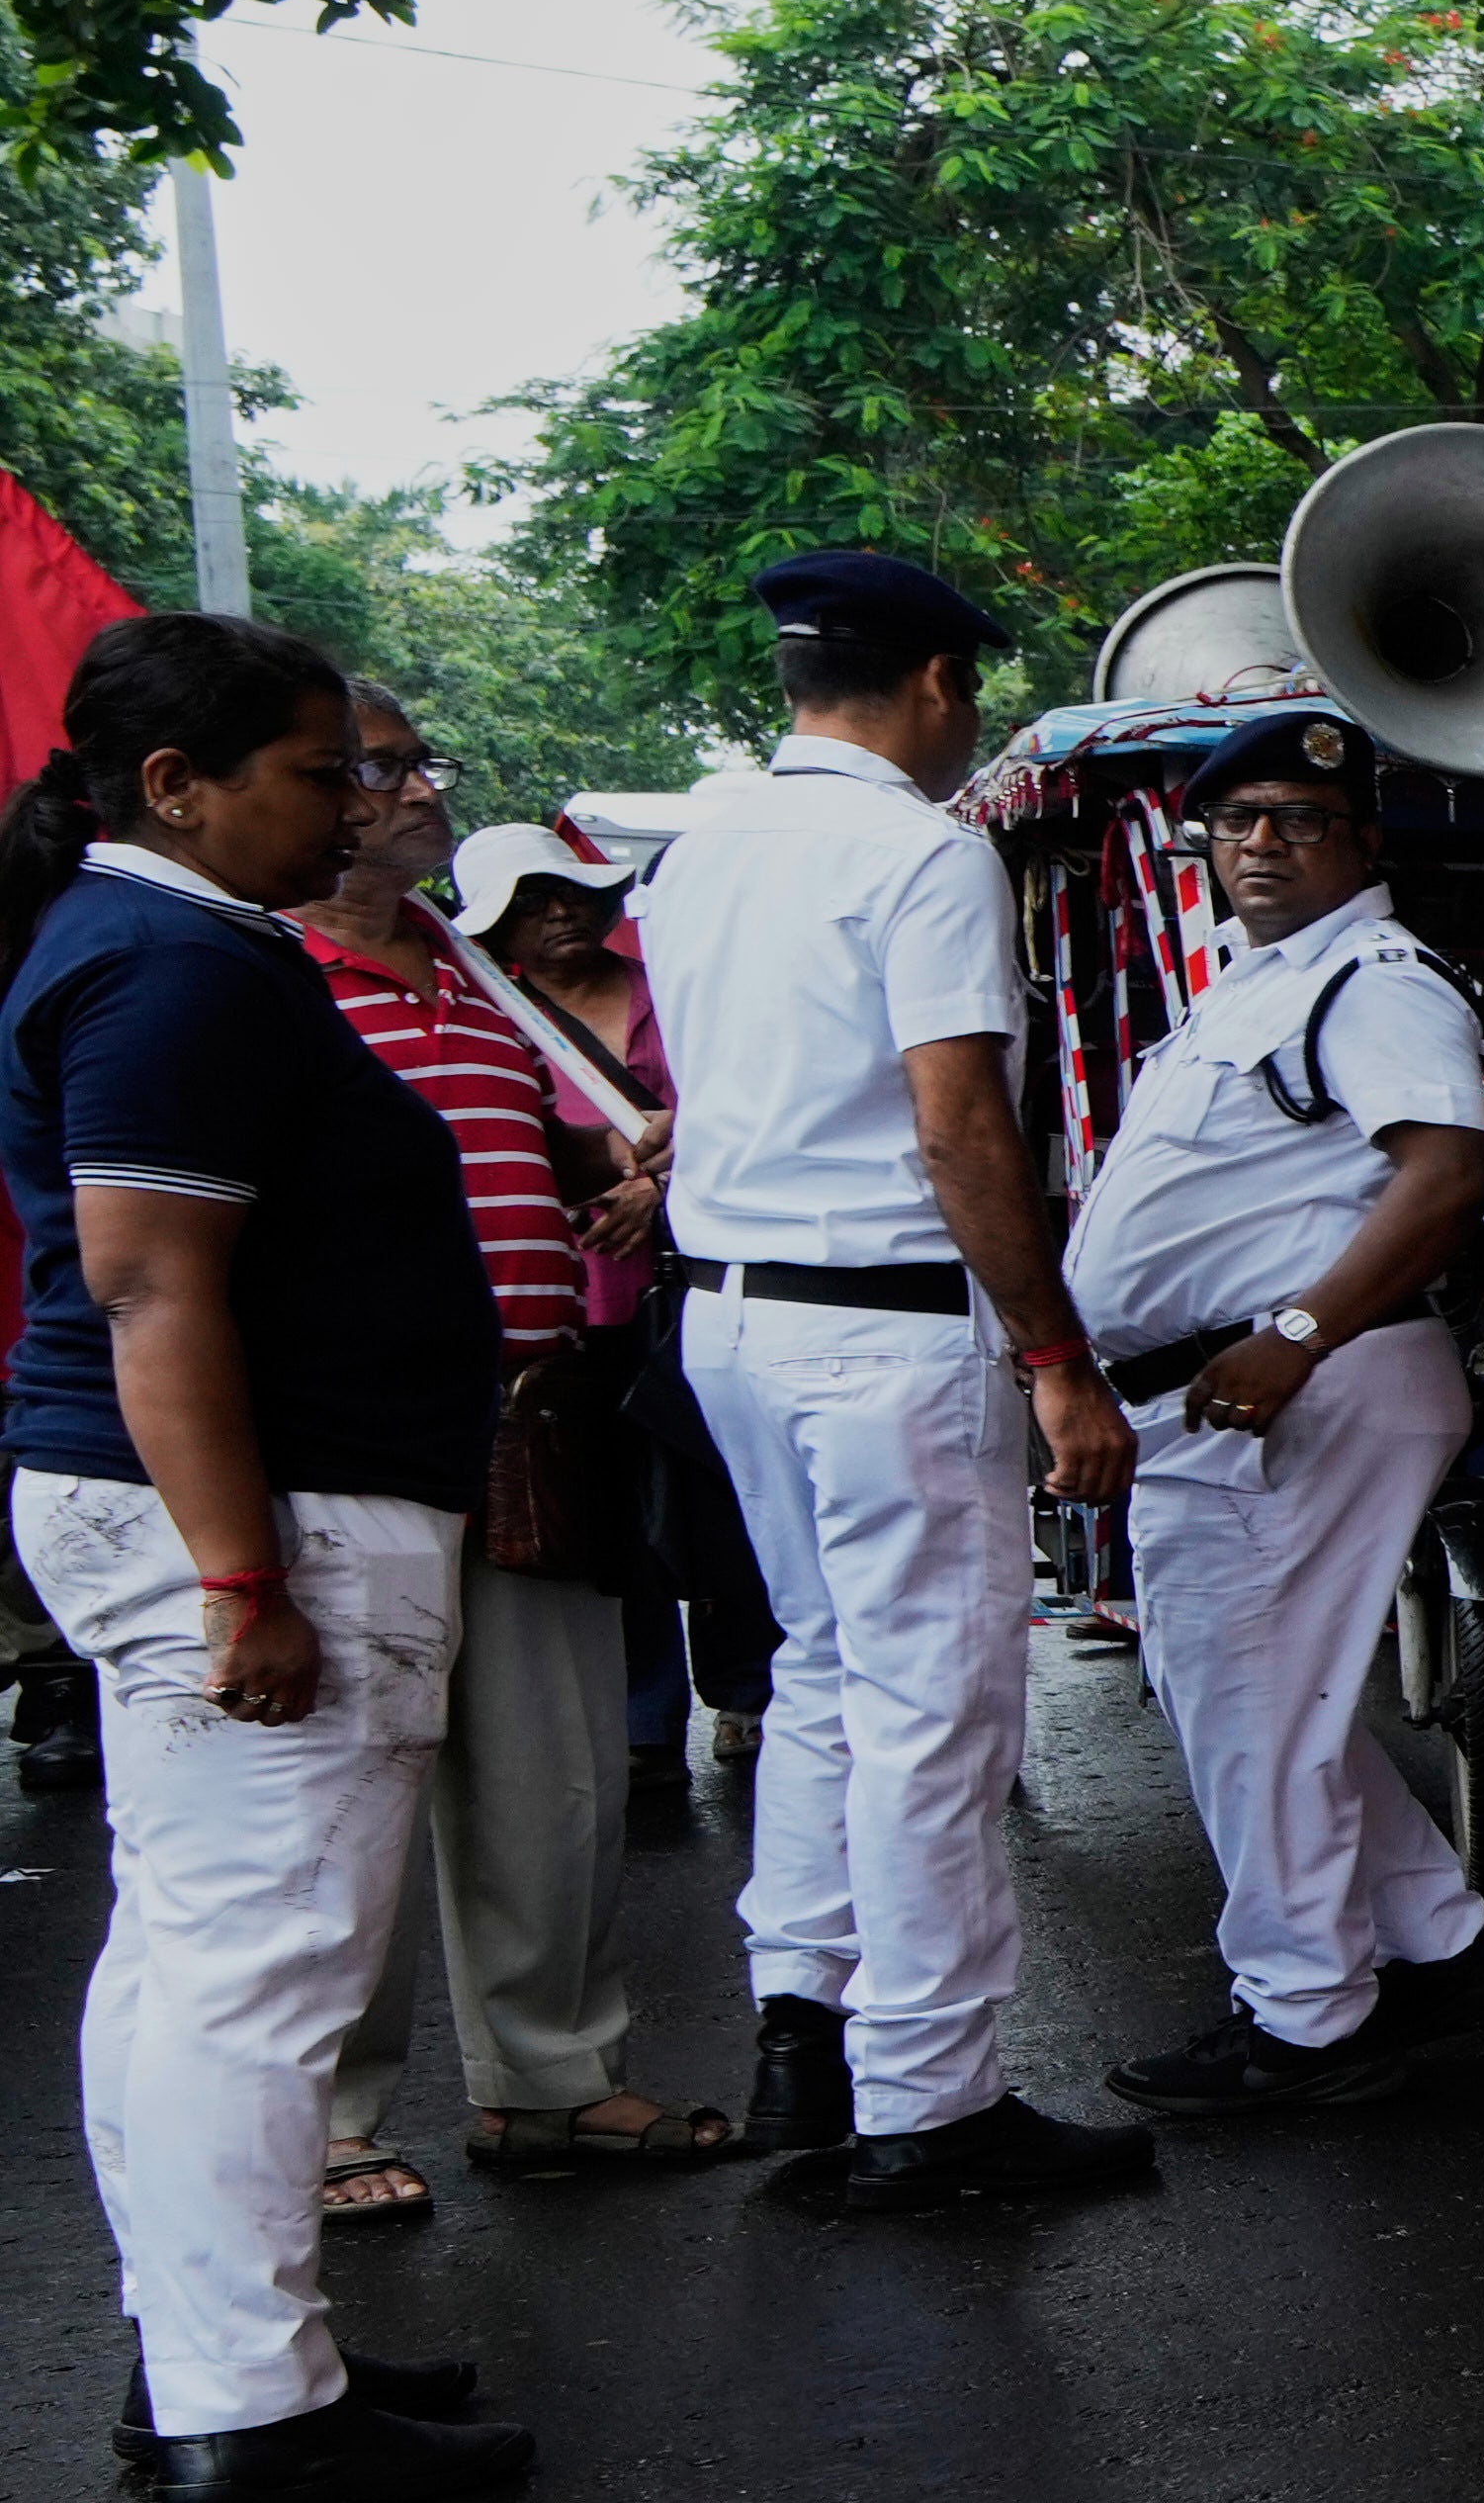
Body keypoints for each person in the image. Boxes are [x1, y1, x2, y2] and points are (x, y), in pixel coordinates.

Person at [0, 614, 540, 2503]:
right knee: (256, 1965)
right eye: (321, 772)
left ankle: (226, 2345)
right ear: (176, 784)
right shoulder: (168, 964)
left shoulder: (177, 944)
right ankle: (249, 2402)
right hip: (257, 1517)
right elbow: (154, 1284)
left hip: (233, 1508)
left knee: (186, 1953)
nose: (360, 801)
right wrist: (246, 1580)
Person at [647, 546, 1156, 2211]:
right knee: (935, 1709)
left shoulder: (699, 852)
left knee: (823, 1675)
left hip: (731, 1317)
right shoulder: (920, 857)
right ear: (935, 684)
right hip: (880, 1328)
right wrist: (1058, 1358)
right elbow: (961, 1124)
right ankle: (931, 2097)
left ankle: (806, 2028)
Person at [293, 689, 734, 2187]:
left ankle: (549, 2079)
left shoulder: (470, 968)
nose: (428, 784)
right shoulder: (260, 969)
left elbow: (541, 1140)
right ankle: (330, 2119)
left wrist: (628, 1160)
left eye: (425, 758)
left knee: (555, 1773)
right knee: (351, 1789)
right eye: (390, 764)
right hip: (351, 1437)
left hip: (532, 1414)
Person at [1054, 713, 1484, 2115]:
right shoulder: (1262, 982)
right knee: (1245, 1694)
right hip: (1231, 1391)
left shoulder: (1372, 978)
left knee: (1253, 1704)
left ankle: (1306, 2013)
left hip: (1299, 1384)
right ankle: (1435, 1936)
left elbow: (1446, 1174)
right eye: (1235, 819)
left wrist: (1296, 1334)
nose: (1258, 841)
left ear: (1361, 842)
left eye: (1298, 818)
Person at [448, 817, 750, 1833]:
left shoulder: (672, 996)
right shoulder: (493, 1018)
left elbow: (741, 1110)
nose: (560, 913)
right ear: (497, 931)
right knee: (615, 1520)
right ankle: (644, 1729)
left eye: (570, 892)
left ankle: (748, 1693)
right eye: (531, 902)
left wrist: (660, 1185)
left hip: (689, 1292)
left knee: (715, 1499)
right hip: (569, 1318)